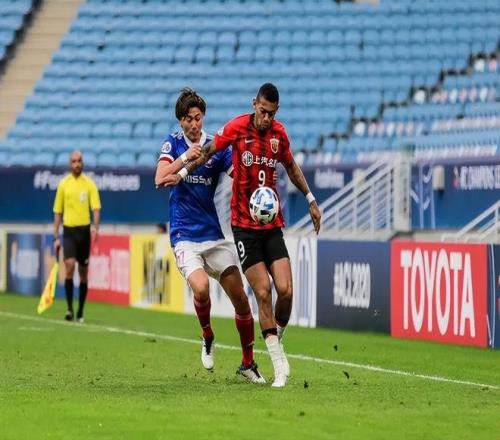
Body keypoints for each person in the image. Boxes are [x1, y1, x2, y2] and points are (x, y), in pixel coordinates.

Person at [160, 83, 322, 387]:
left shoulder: (279, 135)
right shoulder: (230, 129)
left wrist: (311, 199)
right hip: (231, 229)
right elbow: (202, 155)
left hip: (259, 226)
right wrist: (181, 172)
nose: (266, 118)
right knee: (253, 292)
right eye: (262, 111)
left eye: (271, 114)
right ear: (254, 104)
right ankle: (256, 356)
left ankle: (266, 348)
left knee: (282, 291)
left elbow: (288, 166)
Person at [155, 87, 265, 384]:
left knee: (241, 298)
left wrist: (255, 178)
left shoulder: (215, 146)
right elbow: (160, 178)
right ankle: (207, 335)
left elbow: (237, 175)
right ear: (180, 121)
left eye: (198, 118)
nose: (194, 124)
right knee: (201, 289)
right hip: (184, 235)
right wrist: (184, 158)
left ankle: (248, 363)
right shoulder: (173, 143)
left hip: (213, 234)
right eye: (189, 119)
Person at [53, 150, 101, 323]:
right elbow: (57, 211)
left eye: (79, 161)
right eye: (73, 161)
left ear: (82, 163)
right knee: (70, 265)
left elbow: (96, 208)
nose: (77, 164)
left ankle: (80, 310)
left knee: (83, 271)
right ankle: (69, 308)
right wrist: (56, 237)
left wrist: (95, 228)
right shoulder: (63, 184)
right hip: (69, 231)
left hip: (84, 232)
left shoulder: (89, 184)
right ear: (70, 164)